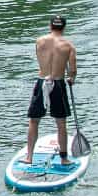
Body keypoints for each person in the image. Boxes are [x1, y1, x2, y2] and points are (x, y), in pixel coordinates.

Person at [26, 16, 78, 165]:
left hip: (42, 80)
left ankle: (29, 157)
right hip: (58, 83)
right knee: (61, 122)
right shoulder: (68, 46)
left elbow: (40, 61)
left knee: (34, 120)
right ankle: (64, 158)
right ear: (64, 28)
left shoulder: (39, 41)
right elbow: (73, 70)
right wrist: (71, 79)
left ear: (50, 26)